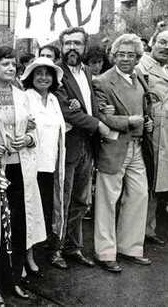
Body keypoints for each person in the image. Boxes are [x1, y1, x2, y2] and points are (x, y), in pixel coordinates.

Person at [0, 46, 46, 306]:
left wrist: (27, 138)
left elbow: (33, 129)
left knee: (18, 225)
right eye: (5, 63)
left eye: (14, 64)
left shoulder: (22, 95)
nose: (11, 68)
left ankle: (14, 279)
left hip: (19, 166)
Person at [52, 27, 111, 270]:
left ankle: (72, 246)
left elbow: (89, 106)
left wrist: (97, 121)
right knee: (62, 201)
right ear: (61, 46)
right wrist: (98, 125)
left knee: (81, 201)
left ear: (85, 47)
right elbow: (67, 111)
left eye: (77, 43)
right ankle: (55, 249)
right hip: (67, 146)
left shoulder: (87, 72)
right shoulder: (56, 73)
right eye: (68, 44)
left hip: (88, 146)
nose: (72, 48)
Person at [93, 34, 153, 273]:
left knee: (139, 196)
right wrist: (130, 120)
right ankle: (105, 252)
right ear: (113, 56)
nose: (126, 58)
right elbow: (102, 117)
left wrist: (147, 122)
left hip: (137, 146)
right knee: (107, 200)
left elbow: (145, 108)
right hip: (115, 147)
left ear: (138, 57)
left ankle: (130, 247)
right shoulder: (102, 81)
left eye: (131, 55)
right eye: (121, 54)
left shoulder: (140, 78)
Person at [21, 57, 66, 273]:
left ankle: (37, 253)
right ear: (31, 76)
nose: (43, 78)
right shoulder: (26, 97)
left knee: (45, 212)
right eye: (38, 73)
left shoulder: (55, 100)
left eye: (48, 73)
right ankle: (26, 258)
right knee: (29, 211)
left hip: (50, 167)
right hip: (31, 166)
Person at [137, 29, 168, 246]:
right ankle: (144, 229)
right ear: (152, 43)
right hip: (152, 131)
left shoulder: (164, 68)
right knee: (150, 180)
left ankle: (150, 227)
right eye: (162, 42)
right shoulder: (141, 68)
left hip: (164, 132)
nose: (166, 47)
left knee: (159, 180)